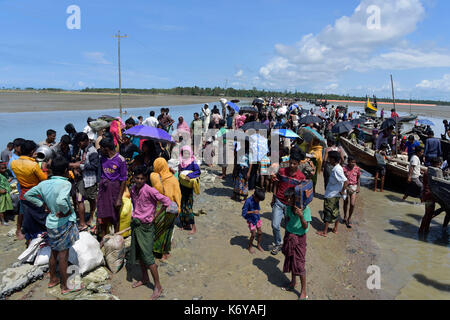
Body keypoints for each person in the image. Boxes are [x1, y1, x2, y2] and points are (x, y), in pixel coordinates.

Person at [24, 156, 81, 295]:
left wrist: (43, 205)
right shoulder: (66, 184)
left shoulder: (44, 183)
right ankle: (65, 286)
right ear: (66, 171)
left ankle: (53, 279)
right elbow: (62, 200)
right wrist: (66, 210)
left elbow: (28, 195)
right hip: (63, 223)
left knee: (54, 252)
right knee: (63, 255)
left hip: (50, 223)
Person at [129, 165, 170, 300]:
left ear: (146, 179)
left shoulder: (150, 190)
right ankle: (145, 278)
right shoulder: (133, 190)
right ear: (134, 178)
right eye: (137, 178)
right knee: (140, 255)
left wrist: (156, 216)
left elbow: (166, 201)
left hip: (147, 227)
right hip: (137, 225)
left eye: (142, 178)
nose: (139, 180)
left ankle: (158, 286)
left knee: (148, 257)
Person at [10, 140, 48, 243]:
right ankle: (41, 238)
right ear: (32, 151)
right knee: (40, 217)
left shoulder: (13, 163)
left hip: (23, 193)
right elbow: (43, 179)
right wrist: (44, 168)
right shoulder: (33, 165)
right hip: (35, 193)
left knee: (28, 217)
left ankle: (29, 239)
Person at [270, 149, 306, 255]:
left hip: (291, 206)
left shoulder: (301, 177)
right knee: (275, 225)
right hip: (279, 201)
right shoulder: (281, 171)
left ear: (298, 164)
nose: (292, 165)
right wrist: (273, 197)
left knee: (288, 227)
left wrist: (299, 207)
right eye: (291, 162)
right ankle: (278, 243)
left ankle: (286, 244)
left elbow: (302, 194)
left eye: (294, 163)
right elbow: (276, 183)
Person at [281, 187, 311, 300]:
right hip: (289, 235)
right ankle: (293, 282)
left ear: (296, 198)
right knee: (290, 260)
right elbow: (288, 220)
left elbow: (305, 226)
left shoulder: (306, 209)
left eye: (290, 198)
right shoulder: (288, 208)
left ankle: (303, 291)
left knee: (299, 264)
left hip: (300, 238)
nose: (288, 201)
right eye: (287, 199)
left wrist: (301, 215)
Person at [150, 158, 182, 261]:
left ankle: (155, 250)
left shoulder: (154, 177)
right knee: (168, 230)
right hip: (171, 208)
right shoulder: (173, 179)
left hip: (158, 207)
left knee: (158, 230)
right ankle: (164, 254)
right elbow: (177, 195)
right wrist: (178, 207)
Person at [97, 138, 127, 239]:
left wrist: (119, 198)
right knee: (103, 213)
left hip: (115, 189)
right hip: (103, 189)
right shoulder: (102, 158)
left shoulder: (120, 160)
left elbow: (123, 180)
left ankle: (116, 237)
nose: (99, 149)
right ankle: (103, 238)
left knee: (115, 215)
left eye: (101, 148)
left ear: (106, 148)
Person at [70, 133, 99, 232]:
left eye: (80, 142)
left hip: (90, 181)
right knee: (79, 200)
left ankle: (91, 218)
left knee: (92, 200)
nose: (79, 144)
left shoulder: (92, 151)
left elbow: (95, 166)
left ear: (86, 141)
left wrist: (79, 165)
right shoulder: (83, 150)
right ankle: (82, 222)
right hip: (82, 180)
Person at [317, 151, 348, 237]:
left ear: (333, 160)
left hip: (332, 195)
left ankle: (325, 232)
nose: (328, 160)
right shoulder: (338, 168)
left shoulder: (337, 169)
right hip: (335, 194)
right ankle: (335, 229)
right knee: (336, 211)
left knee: (328, 212)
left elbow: (346, 181)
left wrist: (342, 191)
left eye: (329, 158)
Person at [178, 146, 201, 234]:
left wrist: (189, 176)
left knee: (188, 207)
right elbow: (179, 172)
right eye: (184, 153)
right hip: (182, 186)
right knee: (182, 205)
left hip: (188, 187)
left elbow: (198, 171)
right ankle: (185, 224)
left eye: (188, 153)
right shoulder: (181, 162)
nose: (186, 155)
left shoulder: (192, 162)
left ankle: (193, 227)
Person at [242, 189, 265, 254]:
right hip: (251, 220)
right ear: (255, 196)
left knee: (260, 232)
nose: (259, 201)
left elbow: (258, 208)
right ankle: (250, 246)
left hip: (257, 218)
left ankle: (258, 245)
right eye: (258, 200)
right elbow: (244, 213)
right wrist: (252, 211)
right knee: (253, 234)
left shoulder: (257, 199)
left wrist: (256, 213)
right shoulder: (248, 201)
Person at [343, 156, 360, 229]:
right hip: (346, 187)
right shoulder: (344, 168)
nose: (353, 164)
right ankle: (344, 216)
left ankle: (349, 218)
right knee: (345, 202)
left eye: (354, 162)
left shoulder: (357, 168)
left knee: (352, 204)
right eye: (352, 162)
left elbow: (358, 178)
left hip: (354, 187)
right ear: (348, 162)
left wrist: (358, 187)